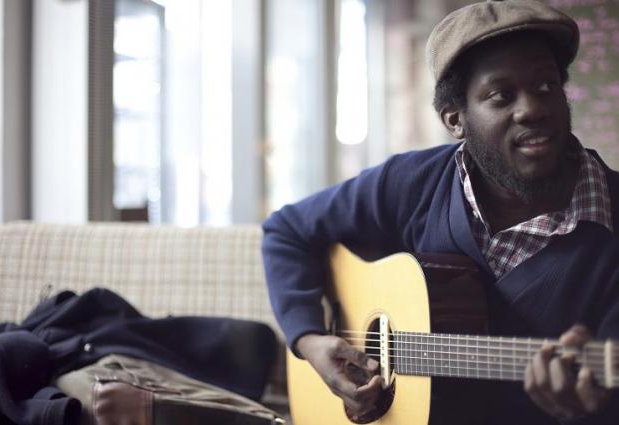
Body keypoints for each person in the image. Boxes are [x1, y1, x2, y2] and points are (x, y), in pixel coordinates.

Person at [262, 0, 619, 423]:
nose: (532, 109)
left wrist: (594, 410)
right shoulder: (413, 182)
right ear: (455, 120)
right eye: (501, 95)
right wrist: (309, 340)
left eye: (545, 86)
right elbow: (287, 231)